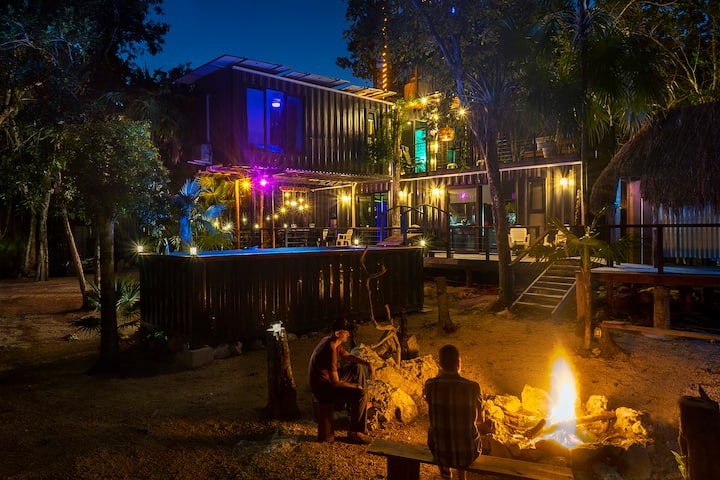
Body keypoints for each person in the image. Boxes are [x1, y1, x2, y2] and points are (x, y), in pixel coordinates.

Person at [308, 318, 375, 444]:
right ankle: (355, 432)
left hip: (326, 381)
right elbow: (335, 383)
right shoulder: (330, 349)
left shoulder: (331, 341)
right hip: (323, 389)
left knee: (357, 367)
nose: (348, 334)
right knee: (360, 393)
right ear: (338, 333)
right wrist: (355, 386)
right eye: (346, 332)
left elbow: (347, 356)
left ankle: (363, 403)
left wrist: (367, 364)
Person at [424, 344, 483, 480]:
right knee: (465, 433)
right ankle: (462, 478)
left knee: (440, 430)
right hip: (468, 453)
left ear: (440, 364)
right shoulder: (473, 387)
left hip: (439, 451)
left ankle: (446, 473)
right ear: (458, 363)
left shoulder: (430, 385)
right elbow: (481, 419)